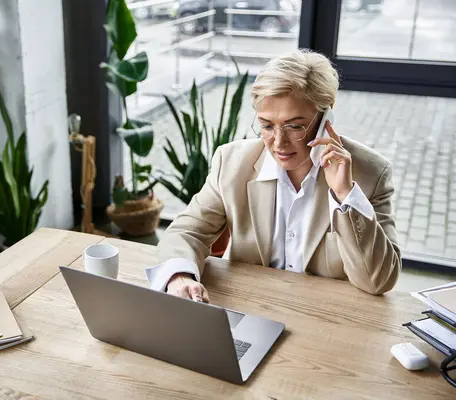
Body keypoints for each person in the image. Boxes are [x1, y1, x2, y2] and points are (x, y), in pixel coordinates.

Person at [146, 49, 401, 300]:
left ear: (326, 114)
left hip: (327, 318)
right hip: (251, 305)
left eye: (294, 126)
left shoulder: (371, 173)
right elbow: (187, 231)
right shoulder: (232, 162)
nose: (279, 143)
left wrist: (345, 195)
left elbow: (377, 281)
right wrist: (179, 276)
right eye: (267, 126)